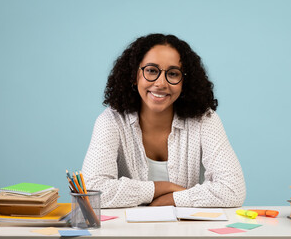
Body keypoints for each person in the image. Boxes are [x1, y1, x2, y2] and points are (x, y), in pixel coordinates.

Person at [82, 33, 246, 208]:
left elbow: (233, 190)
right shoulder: (111, 121)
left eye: (173, 74)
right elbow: (91, 192)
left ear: (184, 82)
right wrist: (162, 188)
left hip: (187, 231)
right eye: (151, 70)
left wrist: (171, 199)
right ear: (134, 75)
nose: (161, 83)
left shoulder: (204, 120)